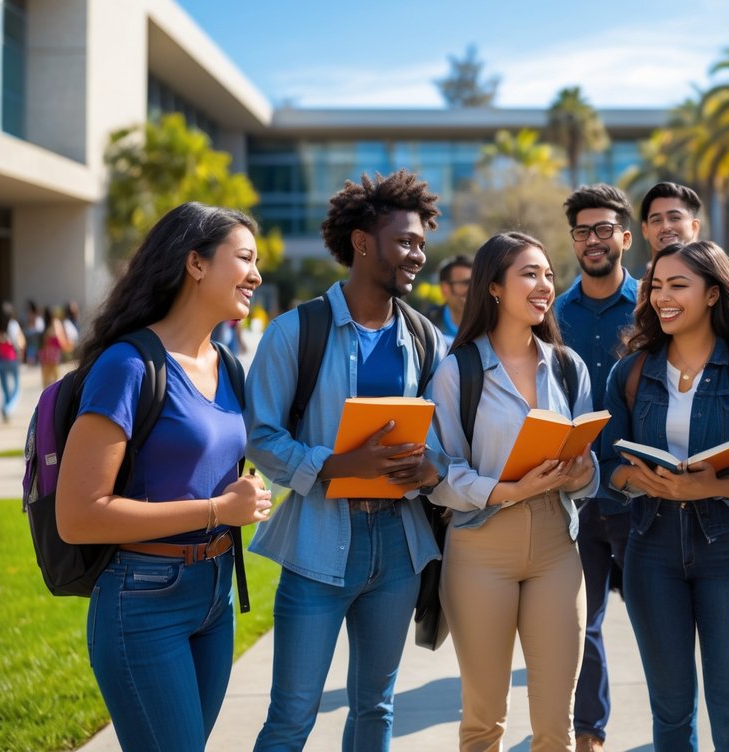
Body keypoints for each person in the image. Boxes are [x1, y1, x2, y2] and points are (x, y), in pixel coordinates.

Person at [53, 202, 272, 751]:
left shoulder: (229, 364)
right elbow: (79, 516)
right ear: (196, 264)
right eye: (244, 258)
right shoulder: (128, 366)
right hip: (143, 599)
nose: (257, 274)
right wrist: (220, 511)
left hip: (215, 594)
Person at [246, 171, 448, 751]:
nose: (417, 254)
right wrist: (338, 465)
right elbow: (259, 437)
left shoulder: (425, 339)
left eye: (420, 243)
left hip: (399, 548)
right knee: (292, 716)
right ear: (362, 242)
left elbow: (443, 437)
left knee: (376, 710)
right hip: (318, 546)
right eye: (405, 241)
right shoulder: (295, 332)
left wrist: (428, 464)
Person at [601, 240, 729, 751]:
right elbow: (605, 468)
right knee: (672, 715)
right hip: (650, 552)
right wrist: (641, 480)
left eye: (678, 285)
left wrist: (711, 486)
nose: (663, 296)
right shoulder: (631, 372)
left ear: (712, 294)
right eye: (657, 285)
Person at [429, 231, 598, 752]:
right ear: (495, 288)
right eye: (530, 273)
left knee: (556, 726)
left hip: (555, 546)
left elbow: (589, 470)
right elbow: (439, 473)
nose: (544, 284)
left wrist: (579, 474)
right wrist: (506, 490)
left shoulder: (568, 367)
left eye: (548, 274)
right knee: (484, 722)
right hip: (481, 549)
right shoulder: (458, 371)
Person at [555, 184, 640, 752]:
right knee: (581, 627)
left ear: (625, 238)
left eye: (604, 229)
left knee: (663, 628)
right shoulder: (553, 311)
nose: (593, 240)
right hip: (577, 496)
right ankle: (589, 735)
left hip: (643, 494)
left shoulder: (657, 303)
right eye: (583, 231)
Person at [639, 181, 702, 260]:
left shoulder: (714, 271)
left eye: (674, 218)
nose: (665, 227)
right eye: (657, 220)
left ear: (694, 226)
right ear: (645, 230)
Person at [426, 254, 472, 348]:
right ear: (445, 289)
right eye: (466, 283)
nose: (472, 290)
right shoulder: (426, 328)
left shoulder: (492, 327)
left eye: (477, 283)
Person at [0, 300, 26, 422]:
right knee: (16, 387)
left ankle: (5, 407)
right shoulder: (13, 324)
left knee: (5, 388)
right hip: (12, 359)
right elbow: (17, 343)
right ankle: (7, 408)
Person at [39, 306, 71, 387]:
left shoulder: (45, 324)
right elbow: (58, 336)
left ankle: (47, 393)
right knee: (55, 377)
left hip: (45, 352)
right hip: (54, 352)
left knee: (46, 378)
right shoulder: (55, 323)